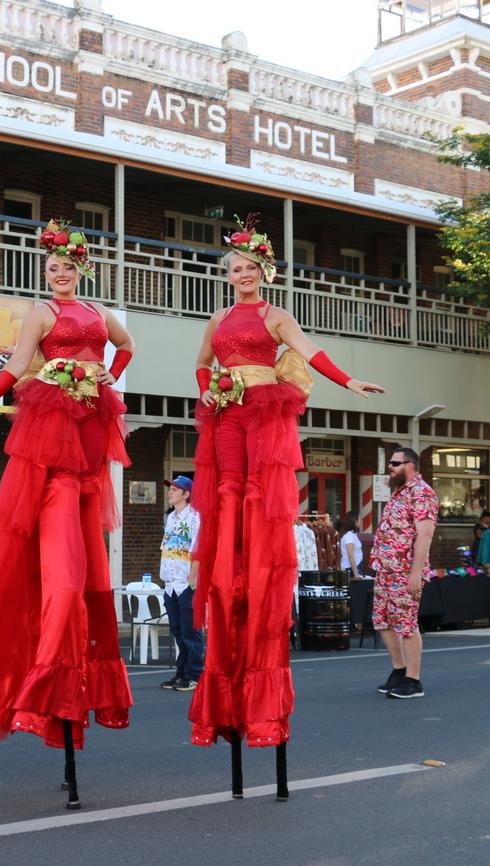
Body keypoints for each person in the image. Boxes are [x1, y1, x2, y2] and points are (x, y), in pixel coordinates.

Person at [0, 218, 134, 757]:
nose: (58, 274)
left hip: (90, 432)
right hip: (52, 434)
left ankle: (80, 689)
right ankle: (42, 687)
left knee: (93, 576)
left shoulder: (99, 314)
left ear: (81, 269)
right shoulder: (42, 312)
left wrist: (110, 371)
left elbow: (125, 347)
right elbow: (17, 363)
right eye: (51, 267)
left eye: (66, 266)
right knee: (63, 580)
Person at [190, 213, 384, 769]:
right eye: (235, 268)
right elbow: (202, 364)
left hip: (264, 414)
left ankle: (255, 568)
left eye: (251, 267)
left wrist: (349, 381)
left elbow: (311, 352)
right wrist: (209, 391)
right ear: (227, 273)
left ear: (263, 271)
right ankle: (229, 566)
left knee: (256, 492)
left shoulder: (276, 315)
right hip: (227, 416)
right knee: (227, 492)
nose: (243, 274)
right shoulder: (219, 317)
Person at [371, 447, 438, 699]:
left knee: (407, 625)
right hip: (385, 570)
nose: (390, 467)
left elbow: (426, 533)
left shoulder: (422, 492)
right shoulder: (399, 492)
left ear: (410, 464)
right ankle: (399, 671)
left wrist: (415, 572)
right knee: (383, 621)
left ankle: (413, 680)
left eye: (394, 463)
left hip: (404, 571)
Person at [159, 476, 204, 692]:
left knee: (190, 632)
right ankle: (182, 671)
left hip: (186, 583)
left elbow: (198, 550)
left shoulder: (195, 518)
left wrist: (192, 580)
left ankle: (194, 674)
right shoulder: (170, 518)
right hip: (170, 583)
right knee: (178, 631)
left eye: (175, 490)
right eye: (171, 489)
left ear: (186, 494)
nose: (170, 492)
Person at [340, 511, 363, 580]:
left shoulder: (353, 535)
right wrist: (356, 573)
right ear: (354, 521)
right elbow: (350, 555)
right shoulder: (349, 536)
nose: (360, 522)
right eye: (359, 519)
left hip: (354, 566)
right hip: (350, 568)